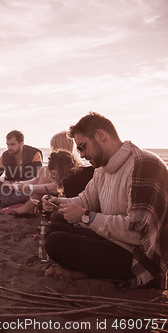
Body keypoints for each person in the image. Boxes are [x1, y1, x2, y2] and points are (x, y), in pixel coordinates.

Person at [42, 112, 168, 289]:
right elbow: (85, 200)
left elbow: (140, 234)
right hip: (111, 241)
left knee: (56, 242)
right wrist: (57, 202)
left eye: (82, 147)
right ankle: (89, 271)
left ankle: (91, 272)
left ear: (101, 136)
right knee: (54, 226)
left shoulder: (144, 165)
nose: (82, 155)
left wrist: (86, 217)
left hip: (136, 256)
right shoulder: (102, 167)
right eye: (79, 149)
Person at [10, 131, 83, 215]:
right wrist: (22, 183)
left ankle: (29, 206)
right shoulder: (65, 163)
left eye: (53, 147)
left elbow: (56, 187)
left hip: (65, 198)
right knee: (43, 170)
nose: (51, 150)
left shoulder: (71, 166)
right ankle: (30, 204)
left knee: (45, 170)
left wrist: (28, 187)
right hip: (55, 196)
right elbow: (37, 179)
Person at [0, 130, 43, 207]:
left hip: (26, 188)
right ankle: (9, 199)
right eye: (8, 144)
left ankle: (4, 199)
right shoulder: (5, 155)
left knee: (25, 194)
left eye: (12, 144)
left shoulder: (35, 153)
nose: (9, 147)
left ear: (21, 144)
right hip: (9, 189)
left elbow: (36, 178)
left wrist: (13, 183)